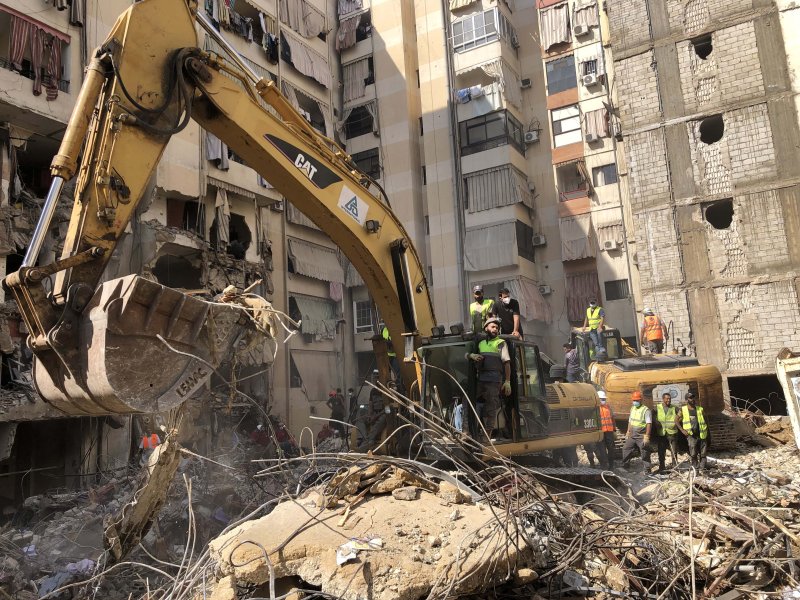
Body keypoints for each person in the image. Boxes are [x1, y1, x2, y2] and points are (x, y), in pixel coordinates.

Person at [468, 317, 511, 439]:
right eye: (493, 327)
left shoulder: (500, 343)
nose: (495, 329)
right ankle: (468, 432)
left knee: (490, 408)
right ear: (486, 328)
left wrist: (507, 381)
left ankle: (487, 436)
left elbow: (507, 363)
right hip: (481, 379)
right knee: (469, 401)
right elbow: (468, 356)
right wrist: (471, 355)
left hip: (494, 381)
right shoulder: (481, 344)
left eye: (497, 328)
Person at [676, 391, 709, 470]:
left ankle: (702, 468)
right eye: (690, 398)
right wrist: (682, 430)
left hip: (702, 434)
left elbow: (706, 420)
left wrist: (707, 430)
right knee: (693, 453)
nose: (693, 399)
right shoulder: (683, 410)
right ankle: (696, 468)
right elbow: (676, 420)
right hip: (691, 435)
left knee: (703, 453)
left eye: (693, 397)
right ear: (687, 400)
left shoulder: (700, 409)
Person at [622, 390, 652, 471]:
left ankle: (647, 469)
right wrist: (628, 431)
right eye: (634, 400)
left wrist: (647, 436)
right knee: (626, 449)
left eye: (636, 400)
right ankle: (625, 465)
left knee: (644, 451)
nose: (635, 402)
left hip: (641, 435)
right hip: (632, 434)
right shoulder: (633, 408)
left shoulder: (646, 410)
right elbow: (630, 421)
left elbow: (649, 423)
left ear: (640, 400)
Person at [655, 392, 679, 471]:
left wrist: (677, 422)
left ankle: (675, 468)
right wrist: (656, 422)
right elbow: (651, 416)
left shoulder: (674, 408)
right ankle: (662, 467)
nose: (669, 400)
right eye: (667, 399)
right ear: (663, 399)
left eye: (670, 399)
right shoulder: (657, 408)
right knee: (661, 451)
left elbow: (681, 415)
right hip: (661, 433)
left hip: (672, 432)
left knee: (674, 451)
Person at [598, 390, 616, 469]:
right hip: (601, 432)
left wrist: (614, 430)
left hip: (609, 431)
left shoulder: (608, 407)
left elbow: (612, 419)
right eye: (602, 399)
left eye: (604, 399)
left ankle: (611, 465)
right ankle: (604, 465)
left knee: (611, 449)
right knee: (602, 450)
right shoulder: (595, 409)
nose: (603, 400)